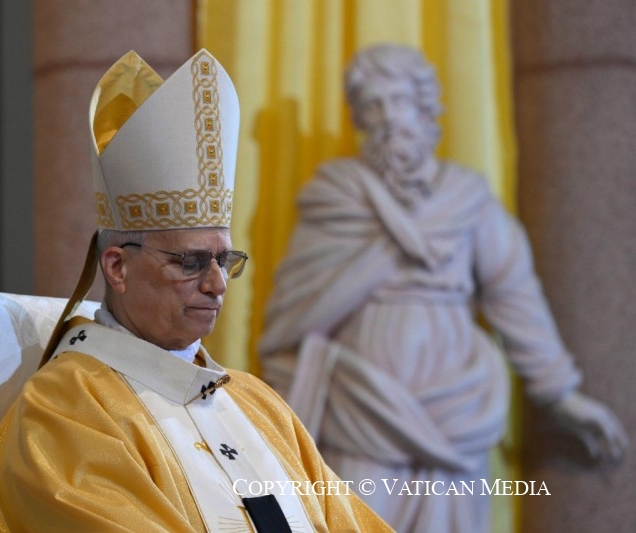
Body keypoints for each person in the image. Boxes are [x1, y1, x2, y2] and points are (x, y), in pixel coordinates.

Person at [0, 49, 391, 532]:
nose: (217, 284)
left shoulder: (258, 403)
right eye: (191, 262)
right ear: (117, 267)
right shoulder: (67, 408)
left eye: (224, 260)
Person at [259, 43, 628, 533]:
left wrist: (561, 394)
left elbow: (513, 295)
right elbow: (296, 304)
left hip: (457, 404)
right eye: (373, 105)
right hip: (360, 406)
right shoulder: (335, 196)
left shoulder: (467, 199)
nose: (389, 118)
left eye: (398, 101)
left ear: (426, 107)